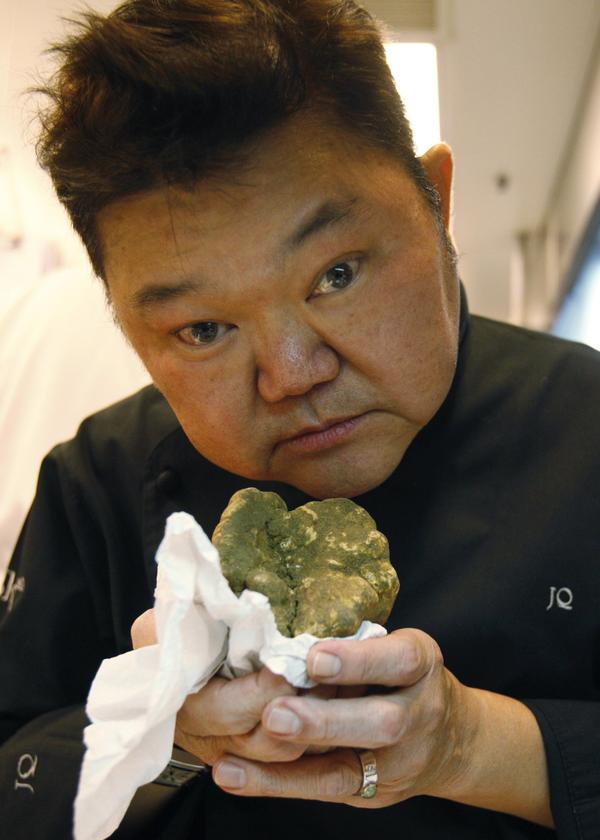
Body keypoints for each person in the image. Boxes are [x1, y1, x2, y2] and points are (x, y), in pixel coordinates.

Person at [0, 1, 598, 838]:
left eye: (337, 275)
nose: (291, 375)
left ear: (436, 203)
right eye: (203, 329)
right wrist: (163, 735)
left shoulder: (584, 424)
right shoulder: (95, 480)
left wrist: (469, 746)